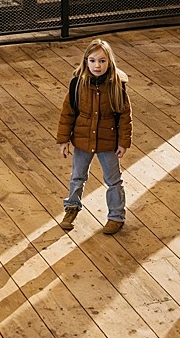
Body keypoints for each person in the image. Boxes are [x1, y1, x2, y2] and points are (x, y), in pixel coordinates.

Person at [56, 38, 132, 235]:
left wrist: (123, 143)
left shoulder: (117, 86)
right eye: (92, 60)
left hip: (108, 142)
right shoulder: (77, 84)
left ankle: (116, 216)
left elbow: (125, 116)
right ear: (85, 61)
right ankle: (71, 208)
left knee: (113, 180)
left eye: (102, 61)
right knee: (77, 176)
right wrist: (63, 139)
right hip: (82, 140)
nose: (97, 65)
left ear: (110, 62)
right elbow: (68, 113)